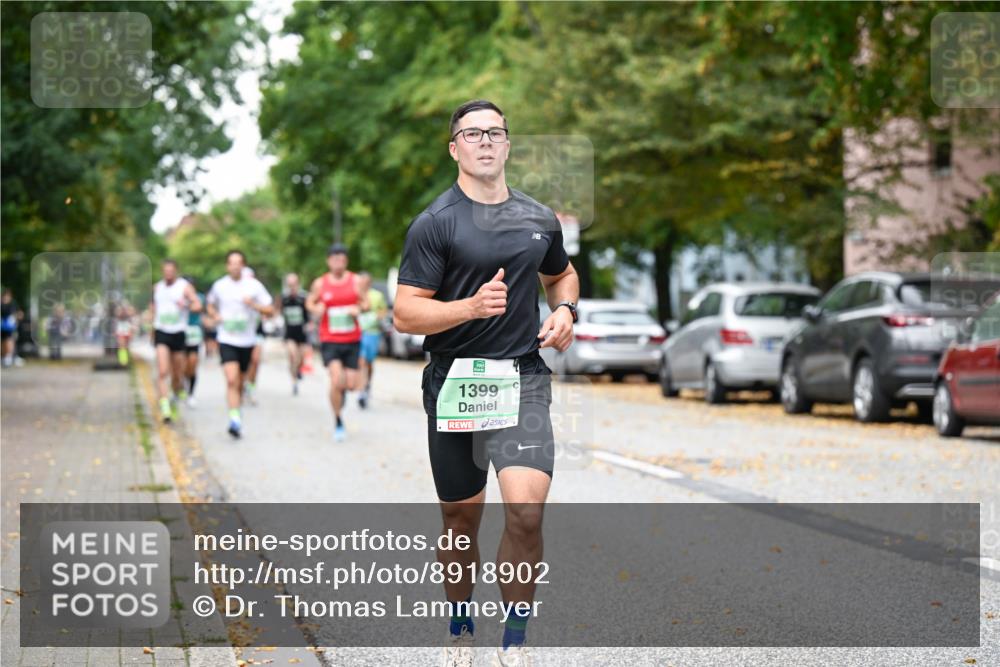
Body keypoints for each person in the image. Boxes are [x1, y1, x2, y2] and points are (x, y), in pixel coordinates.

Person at [394, 100, 579, 667]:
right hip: (454, 382)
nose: (485, 141)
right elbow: (405, 314)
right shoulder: (435, 223)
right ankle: (459, 622)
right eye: (472, 134)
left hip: (522, 378)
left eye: (495, 132)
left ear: (507, 144)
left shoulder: (537, 218)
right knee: (460, 519)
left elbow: (561, 274)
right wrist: (470, 308)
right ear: (455, 148)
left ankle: (515, 641)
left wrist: (567, 311)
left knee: (526, 512)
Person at [205, 251, 274, 439]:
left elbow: (270, 310)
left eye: (238, 263)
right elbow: (210, 304)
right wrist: (214, 315)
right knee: (231, 379)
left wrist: (254, 305)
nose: (235, 266)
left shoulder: (254, 286)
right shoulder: (220, 286)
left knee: (240, 381)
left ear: (243, 266)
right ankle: (234, 420)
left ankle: (237, 408)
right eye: (231, 263)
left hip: (247, 341)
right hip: (227, 339)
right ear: (227, 266)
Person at [305, 244, 368, 442]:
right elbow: (309, 302)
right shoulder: (320, 283)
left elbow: (366, 303)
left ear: (346, 261)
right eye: (334, 259)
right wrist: (316, 308)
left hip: (352, 339)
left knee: (350, 385)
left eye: (341, 259)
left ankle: (340, 397)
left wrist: (358, 309)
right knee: (336, 379)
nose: (338, 262)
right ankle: (338, 419)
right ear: (328, 261)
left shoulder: (356, 281)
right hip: (330, 339)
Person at [151, 260, 201, 423]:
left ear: (176, 271)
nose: (168, 274)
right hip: (161, 332)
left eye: (171, 271)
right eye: (165, 271)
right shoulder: (157, 287)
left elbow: (197, 305)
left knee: (177, 373)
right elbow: (154, 310)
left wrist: (186, 304)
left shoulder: (184, 286)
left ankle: (176, 390)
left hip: (178, 332)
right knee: (163, 371)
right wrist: (152, 329)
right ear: (162, 272)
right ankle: (165, 407)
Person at [355, 272, 388, 409]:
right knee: (361, 361)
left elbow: (383, 311)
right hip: (358, 333)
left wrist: (376, 317)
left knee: (368, 363)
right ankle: (361, 391)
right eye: (361, 281)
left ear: (369, 282)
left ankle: (367, 385)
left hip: (372, 333)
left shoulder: (377, 295)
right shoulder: (354, 295)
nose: (363, 283)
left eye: (365, 281)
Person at [281, 273, 309, 395]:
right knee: (293, 356)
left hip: (302, 332)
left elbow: (309, 312)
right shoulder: (284, 298)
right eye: (289, 284)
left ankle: (298, 371)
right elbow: (280, 312)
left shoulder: (304, 297)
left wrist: (310, 324)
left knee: (301, 359)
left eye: (294, 284)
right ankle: (294, 383)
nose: (292, 287)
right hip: (289, 333)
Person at [183, 278, 206, 407]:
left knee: (192, 364)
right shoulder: (178, 297)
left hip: (194, 334)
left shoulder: (199, 297)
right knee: (182, 365)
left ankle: (191, 393)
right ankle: (181, 387)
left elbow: (197, 307)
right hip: (180, 332)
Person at [1, 288, 22, 367]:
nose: (6, 297)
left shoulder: (13, 304)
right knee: (3, 341)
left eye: (8, 296)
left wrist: (15, 317)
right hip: (2, 326)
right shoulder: (1, 304)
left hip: (10, 326)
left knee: (9, 340)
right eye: (5, 296)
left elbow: (19, 314)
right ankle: (3, 357)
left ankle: (9, 357)